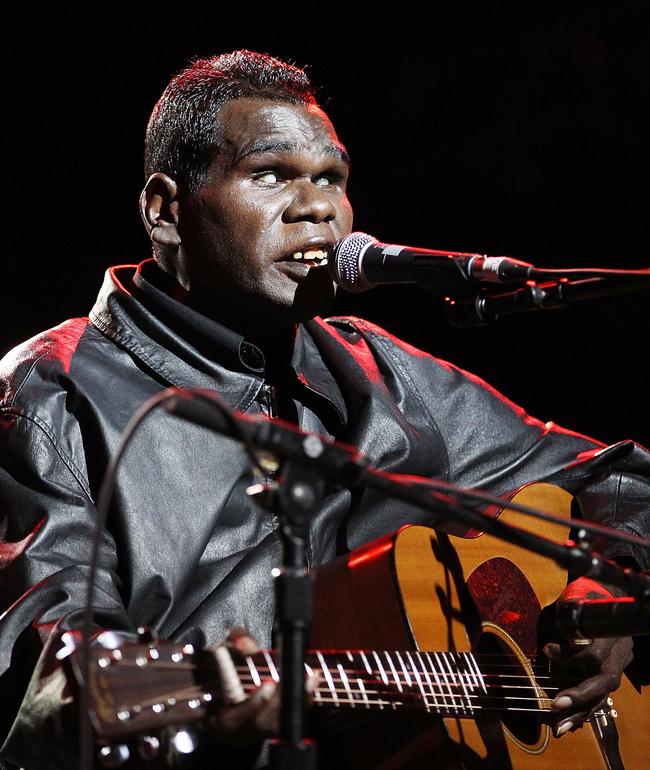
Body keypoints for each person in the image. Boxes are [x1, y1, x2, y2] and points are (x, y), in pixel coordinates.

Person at [0, 49, 647, 770]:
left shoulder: (376, 369)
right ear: (165, 210)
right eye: (272, 174)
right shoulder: (50, 390)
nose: (316, 209)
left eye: (332, 179)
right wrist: (199, 712)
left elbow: (624, 481)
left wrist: (606, 595)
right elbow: (52, 661)